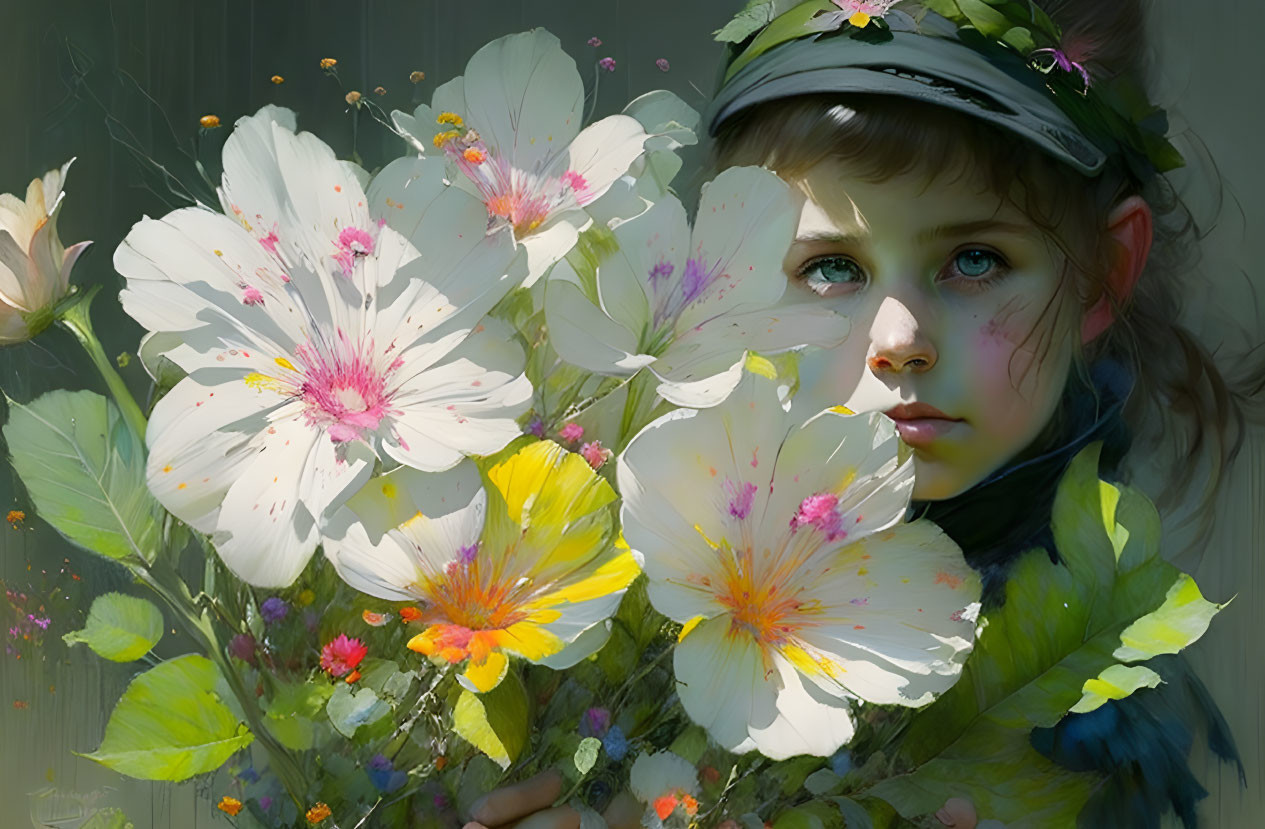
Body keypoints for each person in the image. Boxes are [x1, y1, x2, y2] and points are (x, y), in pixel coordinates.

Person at [460, 1, 1262, 826]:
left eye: (975, 260)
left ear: (1101, 272)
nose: (900, 339)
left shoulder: (1099, 719)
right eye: (831, 267)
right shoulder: (584, 590)